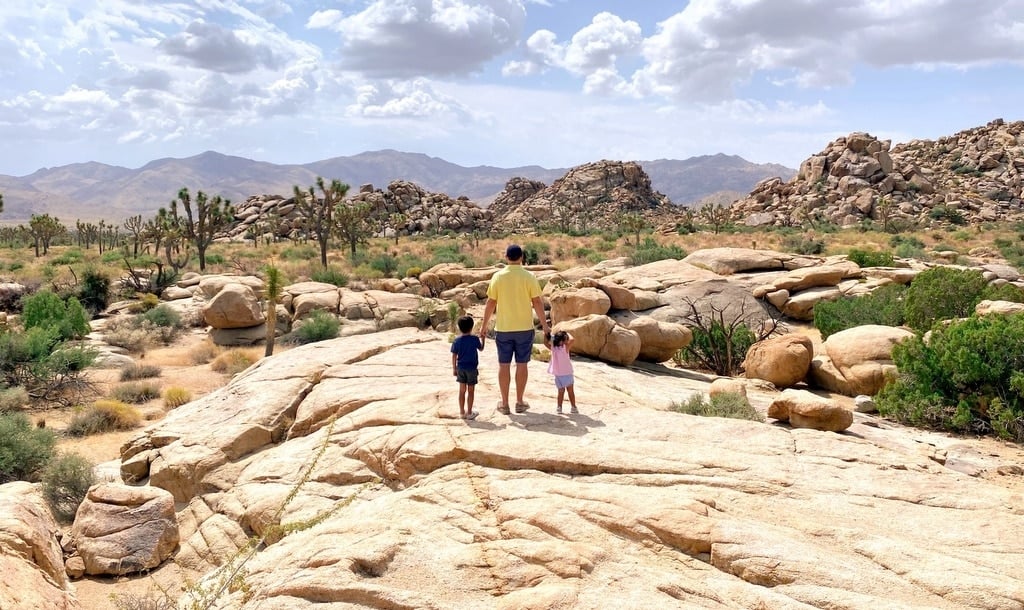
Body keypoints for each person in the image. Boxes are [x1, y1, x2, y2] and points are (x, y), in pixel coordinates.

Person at [479, 244, 549, 415]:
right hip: (525, 328)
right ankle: (519, 401)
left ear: (506, 257)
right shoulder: (529, 276)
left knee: (504, 365)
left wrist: (483, 326)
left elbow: (491, 303)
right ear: (522, 257)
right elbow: (537, 302)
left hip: (503, 328)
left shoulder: (498, 276)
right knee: (522, 364)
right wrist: (546, 327)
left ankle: (504, 404)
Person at [451, 315, 484, 420]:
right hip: (472, 368)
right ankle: (469, 412)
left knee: (462, 390)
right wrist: (483, 339)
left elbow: (454, 355)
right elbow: (481, 348)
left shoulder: (457, 340)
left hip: (461, 368)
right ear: (471, 327)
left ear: (459, 327)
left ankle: (462, 412)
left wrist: (454, 368)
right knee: (471, 390)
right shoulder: (474, 339)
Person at [547, 330, 578, 414]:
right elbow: (572, 339)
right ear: (563, 341)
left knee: (560, 392)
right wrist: (567, 333)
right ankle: (573, 407)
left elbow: (545, 342)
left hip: (558, 375)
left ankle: (559, 407)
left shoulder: (553, 348)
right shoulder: (565, 348)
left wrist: (551, 336)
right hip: (567, 373)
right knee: (570, 391)